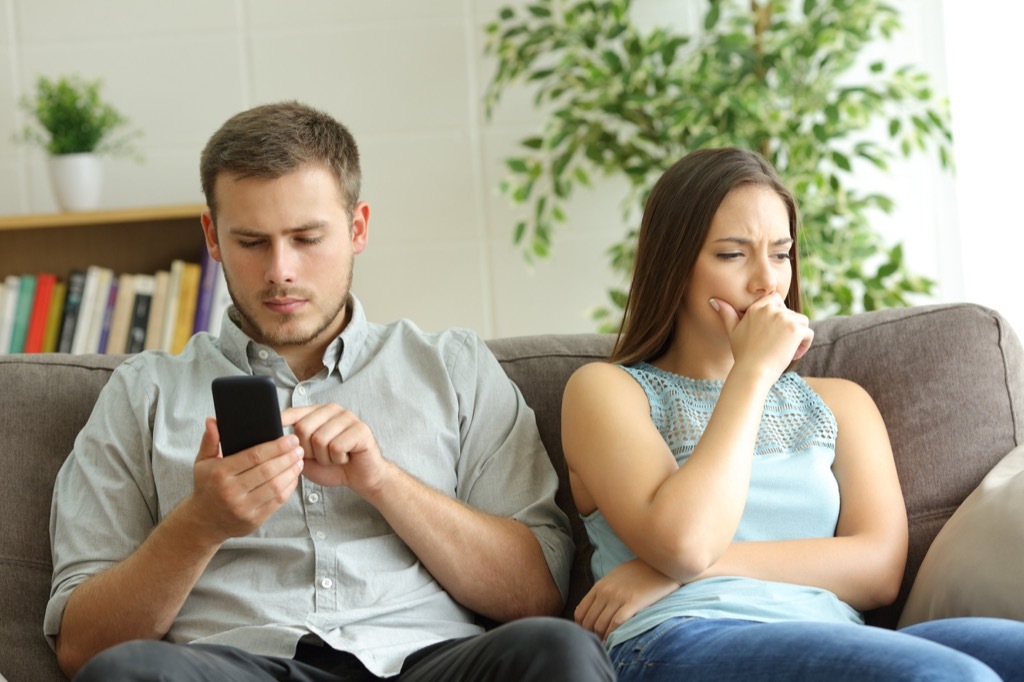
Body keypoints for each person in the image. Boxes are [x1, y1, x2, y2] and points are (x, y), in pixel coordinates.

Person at [46, 101, 614, 682]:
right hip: (236, 668)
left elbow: (536, 593)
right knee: (126, 673)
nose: (281, 270)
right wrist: (201, 524)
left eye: (307, 238)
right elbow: (82, 647)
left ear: (357, 228)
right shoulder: (142, 393)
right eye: (252, 242)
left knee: (557, 649)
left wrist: (383, 482)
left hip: (428, 663)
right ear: (212, 237)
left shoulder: (454, 368)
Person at [560, 146, 1024, 681]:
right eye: (732, 255)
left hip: (837, 637)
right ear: (674, 267)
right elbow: (685, 544)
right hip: (680, 636)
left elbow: (878, 571)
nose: (767, 282)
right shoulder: (607, 392)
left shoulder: (841, 403)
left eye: (780, 254)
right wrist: (752, 373)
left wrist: (674, 573)